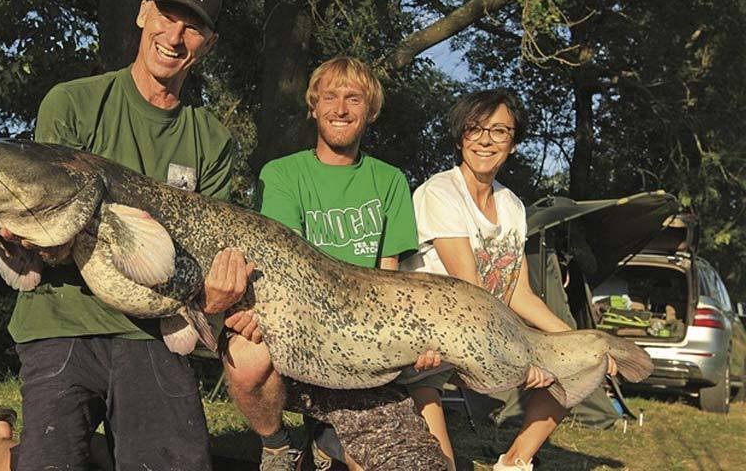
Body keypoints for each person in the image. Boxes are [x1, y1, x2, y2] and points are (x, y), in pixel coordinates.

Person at [0, 0, 254, 470]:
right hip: (61, 315)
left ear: (208, 42)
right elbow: (45, 222)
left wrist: (219, 292)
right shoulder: (72, 102)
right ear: (143, 13)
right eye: (166, 15)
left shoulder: (211, 139)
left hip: (151, 330)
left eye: (193, 26)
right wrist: (27, 238)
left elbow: (217, 250)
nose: (175, 36)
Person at [223, 56, 442, 471]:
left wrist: (414, 344)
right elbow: (287, 270)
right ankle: (276, 444)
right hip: (297, 322)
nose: (341, 109)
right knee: (246, 358)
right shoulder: (282, 175)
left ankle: (328, 440)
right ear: (314, 105)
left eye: (354, 98)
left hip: (363, 336)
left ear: (370, 110)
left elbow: (387, 278)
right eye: (330, 97)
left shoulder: (391, 180)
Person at [400, 89, 618, 471]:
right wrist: (520, 354)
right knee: (441, 465)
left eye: (499, 131)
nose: (486, 140)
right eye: (475, 129)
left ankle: (515, 461)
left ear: (513, 144)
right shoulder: (440, 192)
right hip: (428, 343)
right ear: (460, 137)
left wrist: (580, 343)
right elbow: (470, 290)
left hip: (483, 335)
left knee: (578, 366)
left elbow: (519, 291)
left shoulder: (512, 205)